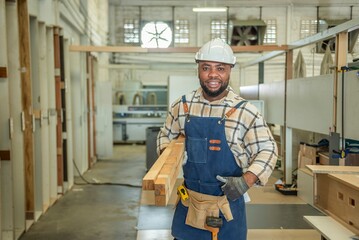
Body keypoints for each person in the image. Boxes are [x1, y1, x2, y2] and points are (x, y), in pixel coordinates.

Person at [157, 38, 278, 240]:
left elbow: (268, 149)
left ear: (230, 70)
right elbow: (165, 137)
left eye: (220, 68)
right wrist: (171, 159)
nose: (213, 74)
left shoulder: (244, 111)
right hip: (189, 205)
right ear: (198, 69)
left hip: (227, 207)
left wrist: (246, 181)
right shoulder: (182, 106)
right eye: (206, 67)